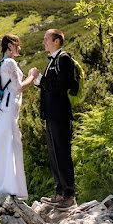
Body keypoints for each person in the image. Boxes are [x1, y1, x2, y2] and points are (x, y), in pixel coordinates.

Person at [0, 34, 37, 197]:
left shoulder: (2, 63)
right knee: (9, 143)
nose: (20, 48)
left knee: (1, 143)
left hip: (3, 109)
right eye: (18, 45)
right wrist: (32, 76)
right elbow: (19, 87)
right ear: (10, 46)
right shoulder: (10, 63)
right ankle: (8, 187)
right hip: (8, 110)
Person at [29, 29, 77, 209]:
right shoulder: (54, 60)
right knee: (54, 153)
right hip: (51, 115)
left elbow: (59, 87)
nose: (44, 42)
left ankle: (69, 195)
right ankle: (59, 193)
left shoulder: (64, 59)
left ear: (56, 41)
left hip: (59, 114)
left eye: (46, 39)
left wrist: (38, 79)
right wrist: (39, 81)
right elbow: (50, 87)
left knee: (62, 153)